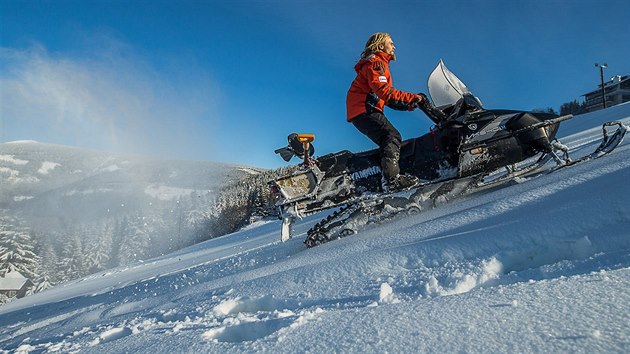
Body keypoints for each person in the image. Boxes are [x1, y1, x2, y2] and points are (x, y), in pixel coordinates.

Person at [346, 32, 445, 191]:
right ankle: (392, 180)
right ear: (380, 46)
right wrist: (415, 98)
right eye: (390, 43)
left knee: (390, 137)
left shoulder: (377, 64)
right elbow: (385, 92)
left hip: (362, 109)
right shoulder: (376, 63)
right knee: (391, 136)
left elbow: (386, 98)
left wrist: (409, 104)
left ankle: (387, 175)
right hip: (363, 109)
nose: (394, 46)